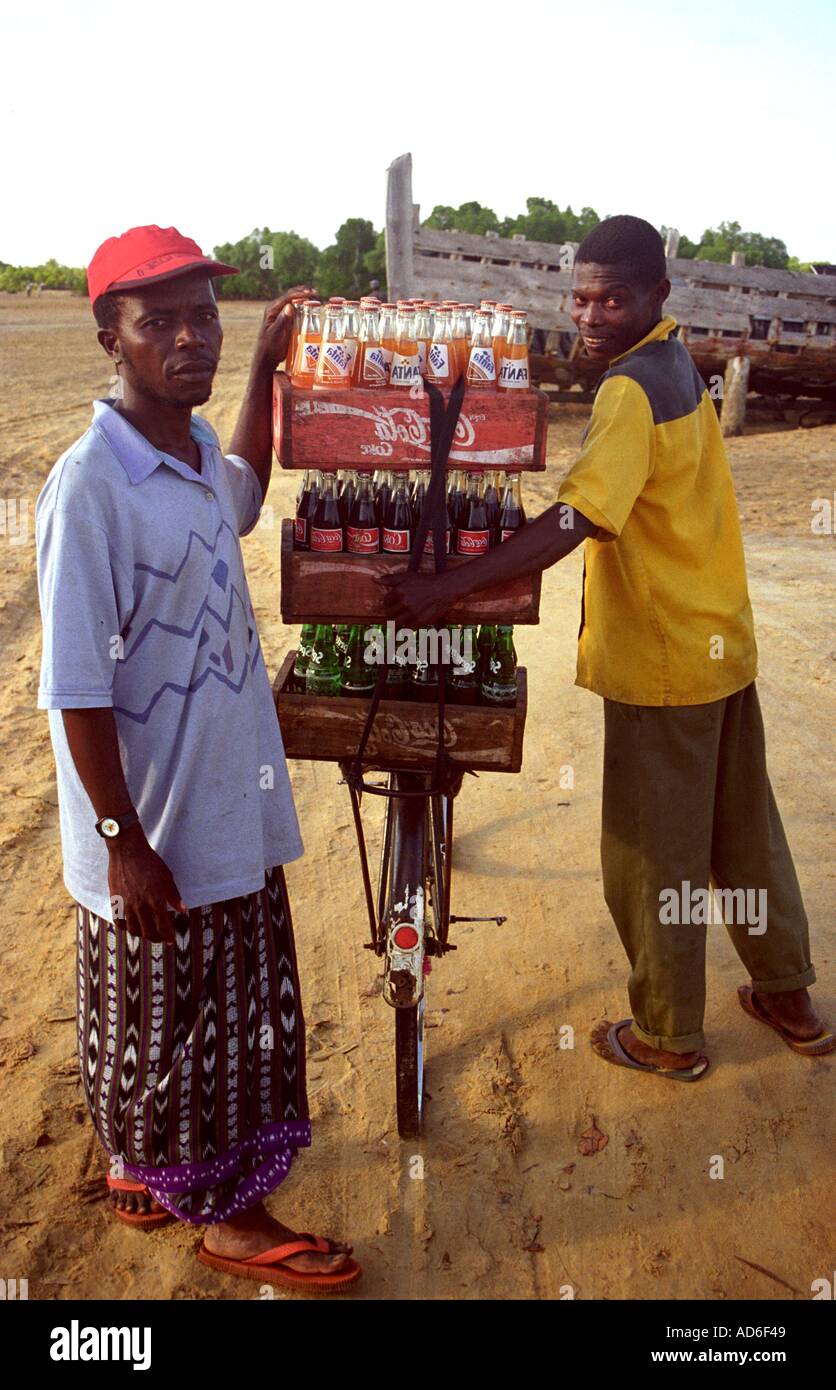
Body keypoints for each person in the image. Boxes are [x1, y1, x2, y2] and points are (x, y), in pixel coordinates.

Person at [378, 215, 834, 1080]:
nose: (590, 316)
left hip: (665, 660)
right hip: (719, 644)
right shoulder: (677, 366)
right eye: (581, 298)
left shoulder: (630, 389)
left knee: (651, 850)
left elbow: (577, 515)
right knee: (744, 834)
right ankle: (787, 994)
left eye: (612, 299)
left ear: (658, 296)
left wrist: (451, 587)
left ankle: (669, 1034)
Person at [35, 224, 360, 1290]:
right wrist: (125, 844)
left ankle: (145, 1170)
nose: (188, 338)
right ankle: (231, 1217)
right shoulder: (92, 487)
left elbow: (247, 486)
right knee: (191, 1033)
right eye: (158, 321)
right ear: (109, 339)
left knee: (168, 1022)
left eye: (202, 318)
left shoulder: (183, 462)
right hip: (157, 832)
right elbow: (76, 688)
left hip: (220, 812)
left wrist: (266, 364)